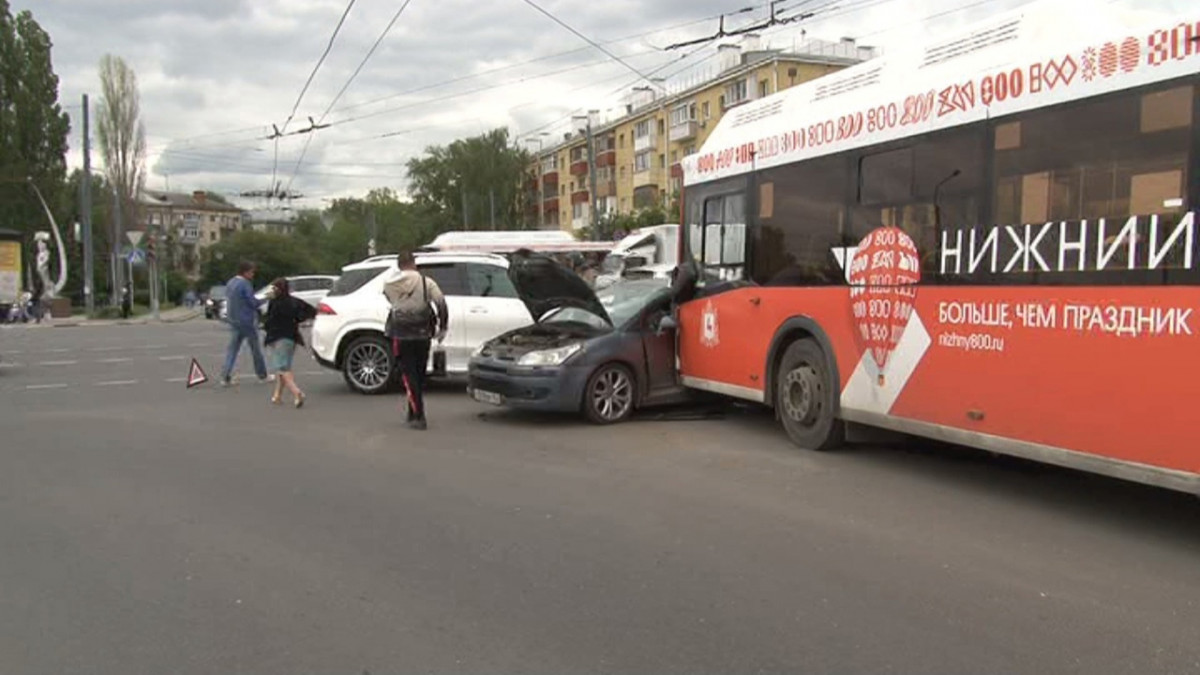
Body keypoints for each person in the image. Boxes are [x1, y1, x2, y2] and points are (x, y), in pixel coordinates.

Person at [383, 251, 448, 430]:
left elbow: (389, 299)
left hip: (401, 334)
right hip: (423, 333)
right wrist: (443, 327)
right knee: (419, 374)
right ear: (413, 263)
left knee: (408, 375)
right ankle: (412, 411)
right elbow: (441, 304)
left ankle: (419, 415)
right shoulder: (427, 282)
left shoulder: (390, 284)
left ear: (399, 265)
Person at [263, 277, 317, 408]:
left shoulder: (274, 303)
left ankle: (297, 392)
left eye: (274, 288)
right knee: (284, 368)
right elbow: (312, 311)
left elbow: (268, 321)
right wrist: (299, 319)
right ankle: (277, 396)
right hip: (292, 337)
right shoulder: (295, 302)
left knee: (282, 368)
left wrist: (266, 331)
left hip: (278, 337)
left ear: (277, 289)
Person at [220, 260, 268, 386]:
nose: (253, 275)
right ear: (246, 272)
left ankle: (225, 377)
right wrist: (267, 298)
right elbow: (252, 303)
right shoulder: (245, 284)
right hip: (247, 321)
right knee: (255, 349)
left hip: (234, 320)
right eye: (252, 272)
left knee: (233, 349)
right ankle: (262, 375)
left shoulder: (231, 282)